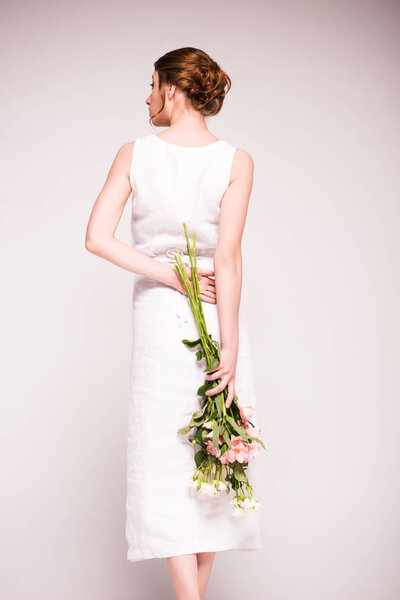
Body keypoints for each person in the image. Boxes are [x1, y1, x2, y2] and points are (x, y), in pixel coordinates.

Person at [85, 47, 262, 600]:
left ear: (173, 89)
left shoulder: (134, 153)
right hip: (209, 311)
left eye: (152, 84)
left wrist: (169, 279)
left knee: (190, 451)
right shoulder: (237, 160)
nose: (146, 97)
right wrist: (228, 343)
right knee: (201, 448)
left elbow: (98, 237)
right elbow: (226, 260)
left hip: (169, 314)